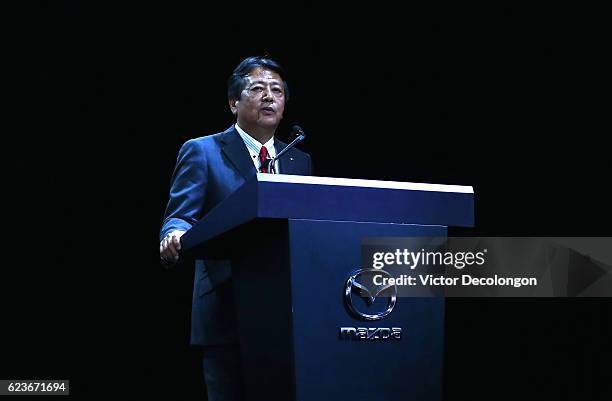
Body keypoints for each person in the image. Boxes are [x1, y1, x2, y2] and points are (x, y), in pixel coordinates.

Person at [159, 56, 312, 401]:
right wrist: (173, 234)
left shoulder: (298, 160)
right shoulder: (203, 151)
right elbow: (180, 215)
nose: (269, 97)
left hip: (287, 315)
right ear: (233, 103)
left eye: (277, 91)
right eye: (257, 89)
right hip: (227, 311)